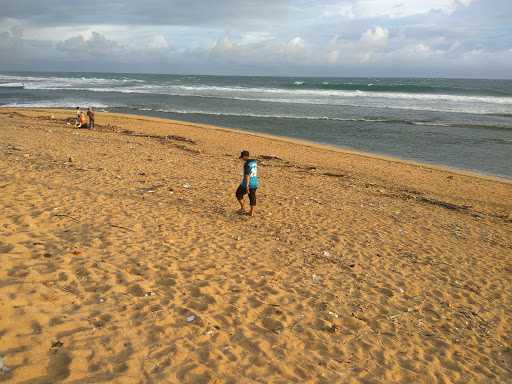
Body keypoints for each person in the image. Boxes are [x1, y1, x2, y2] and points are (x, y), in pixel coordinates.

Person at [235, 150, 259, 216]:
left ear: (245, 156)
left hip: (247, 183)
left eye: (242, 157)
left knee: (238, 194)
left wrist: (247, 185)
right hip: (255, 182)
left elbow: (247, 175)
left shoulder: (246, 164)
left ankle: (242, 208)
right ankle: (251, 212)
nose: (242, 159)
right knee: (252, 196)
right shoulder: (254, 161)